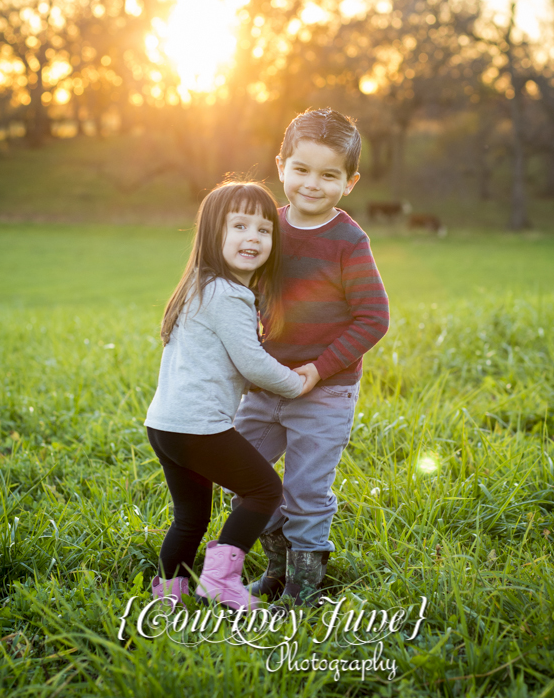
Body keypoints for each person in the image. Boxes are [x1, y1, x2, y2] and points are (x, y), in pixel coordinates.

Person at [234, 109, 390, 606]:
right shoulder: (267, 231)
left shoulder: (348, 243)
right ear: (281, 166)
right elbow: (245, 294)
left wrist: (317, 370)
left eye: (329, 175)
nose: (312, 184)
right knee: (243, 477)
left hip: (325, 392)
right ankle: (277, 565)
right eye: (301, 169)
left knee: (305, 491)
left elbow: (373, 318)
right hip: (265, 385)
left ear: (350, 182)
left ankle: (303, 583)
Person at [144, 181, 308, 612]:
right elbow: (251, 362)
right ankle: (219, 580)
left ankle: (168, 597)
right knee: (264, 491)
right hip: (199, 426)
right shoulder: (229, 294)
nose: (253, 237)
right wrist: (297, 383)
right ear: (213, 234)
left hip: (165, 425)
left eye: (264, 230)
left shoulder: (200, 284)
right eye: (239, 226)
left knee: (190, 517)